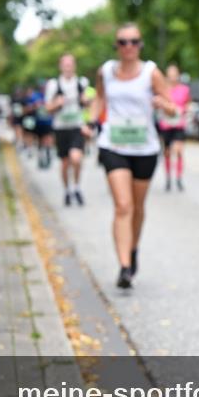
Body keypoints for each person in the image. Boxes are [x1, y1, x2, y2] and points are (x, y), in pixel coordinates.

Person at [87, 23, 177, 289]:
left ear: (140, 45)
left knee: (137, 208)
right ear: (117, 46)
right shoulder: (106, 71)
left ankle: (133, 247)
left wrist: (164, 105)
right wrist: (92, 121)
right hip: (113, 144)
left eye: (134, 41)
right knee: (123, 205)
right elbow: (99, 99)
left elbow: (172, 107)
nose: (128, 47)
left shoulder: (151, 73)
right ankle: (125, 266)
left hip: (145, 147)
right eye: (123, 42)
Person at [45, 54, 92, 206]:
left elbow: (90, 104)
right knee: (65, 163)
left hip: (77, 126)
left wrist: (86, 103)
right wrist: (57, 103)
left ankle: (77, 187)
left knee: (76, 158)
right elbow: (48, 109)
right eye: (65, 64)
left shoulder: (82, 82)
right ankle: (67, 190)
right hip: (60, 128)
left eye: (70, 64)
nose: (68, 67)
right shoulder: (53, 84)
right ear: (60, 66)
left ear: (74, 66)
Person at [156, 62, 190, 192]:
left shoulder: (184, 89)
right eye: (170, 75)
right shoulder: (163, 89)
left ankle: (179, 177)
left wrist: (184, 110)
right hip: (166, 125)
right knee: (168, 153)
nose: (172, 77)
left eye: (174, 75)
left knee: (178, 150)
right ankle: (168, 178)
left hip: (179, 124)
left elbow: (187, 104)